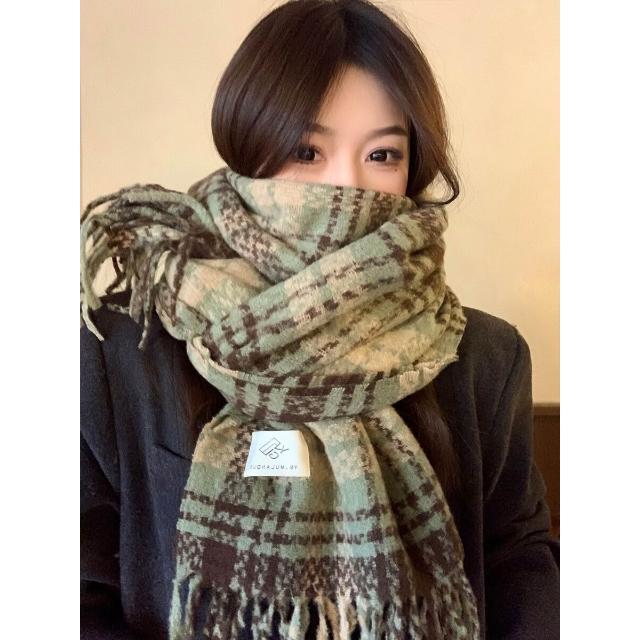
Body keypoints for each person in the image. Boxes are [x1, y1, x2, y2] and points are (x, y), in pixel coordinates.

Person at [80, 1, 559, 639]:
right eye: (306, 150)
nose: (345, 186)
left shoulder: (486, 360)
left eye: (382, 154)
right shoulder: (123, 351)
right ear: (247, 147)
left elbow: (517, 562)